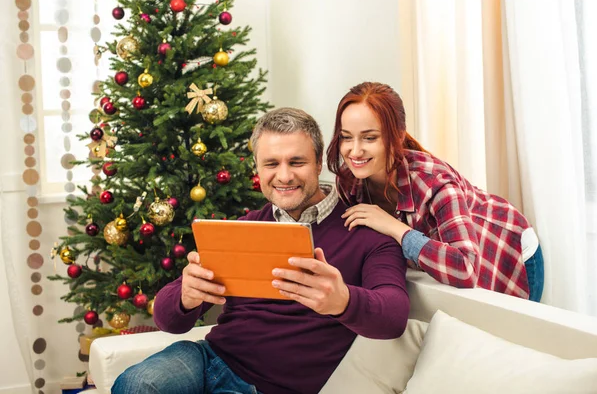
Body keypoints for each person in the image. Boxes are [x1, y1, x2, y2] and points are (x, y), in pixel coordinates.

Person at [112, 107, 410, 394]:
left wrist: (342, 300)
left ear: (319, 163)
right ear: (257, 167)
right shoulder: (245, 228)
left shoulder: (368, 235)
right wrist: (186, 296)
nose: (284, 176)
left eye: (296, 162)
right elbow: (168, 321)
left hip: (269, 387)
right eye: (271, 164)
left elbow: (394, 316)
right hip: (209, 358)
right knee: (137, 384)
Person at [326, 82, 543, 302]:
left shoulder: (435, 183)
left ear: (398, 137)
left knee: (512, 334)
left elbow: (465, 269)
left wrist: (394, 227)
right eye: (346, 137)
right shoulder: (349, 181)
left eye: (369, 138)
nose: (354, 150)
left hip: (509, 249)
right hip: (460, 264)